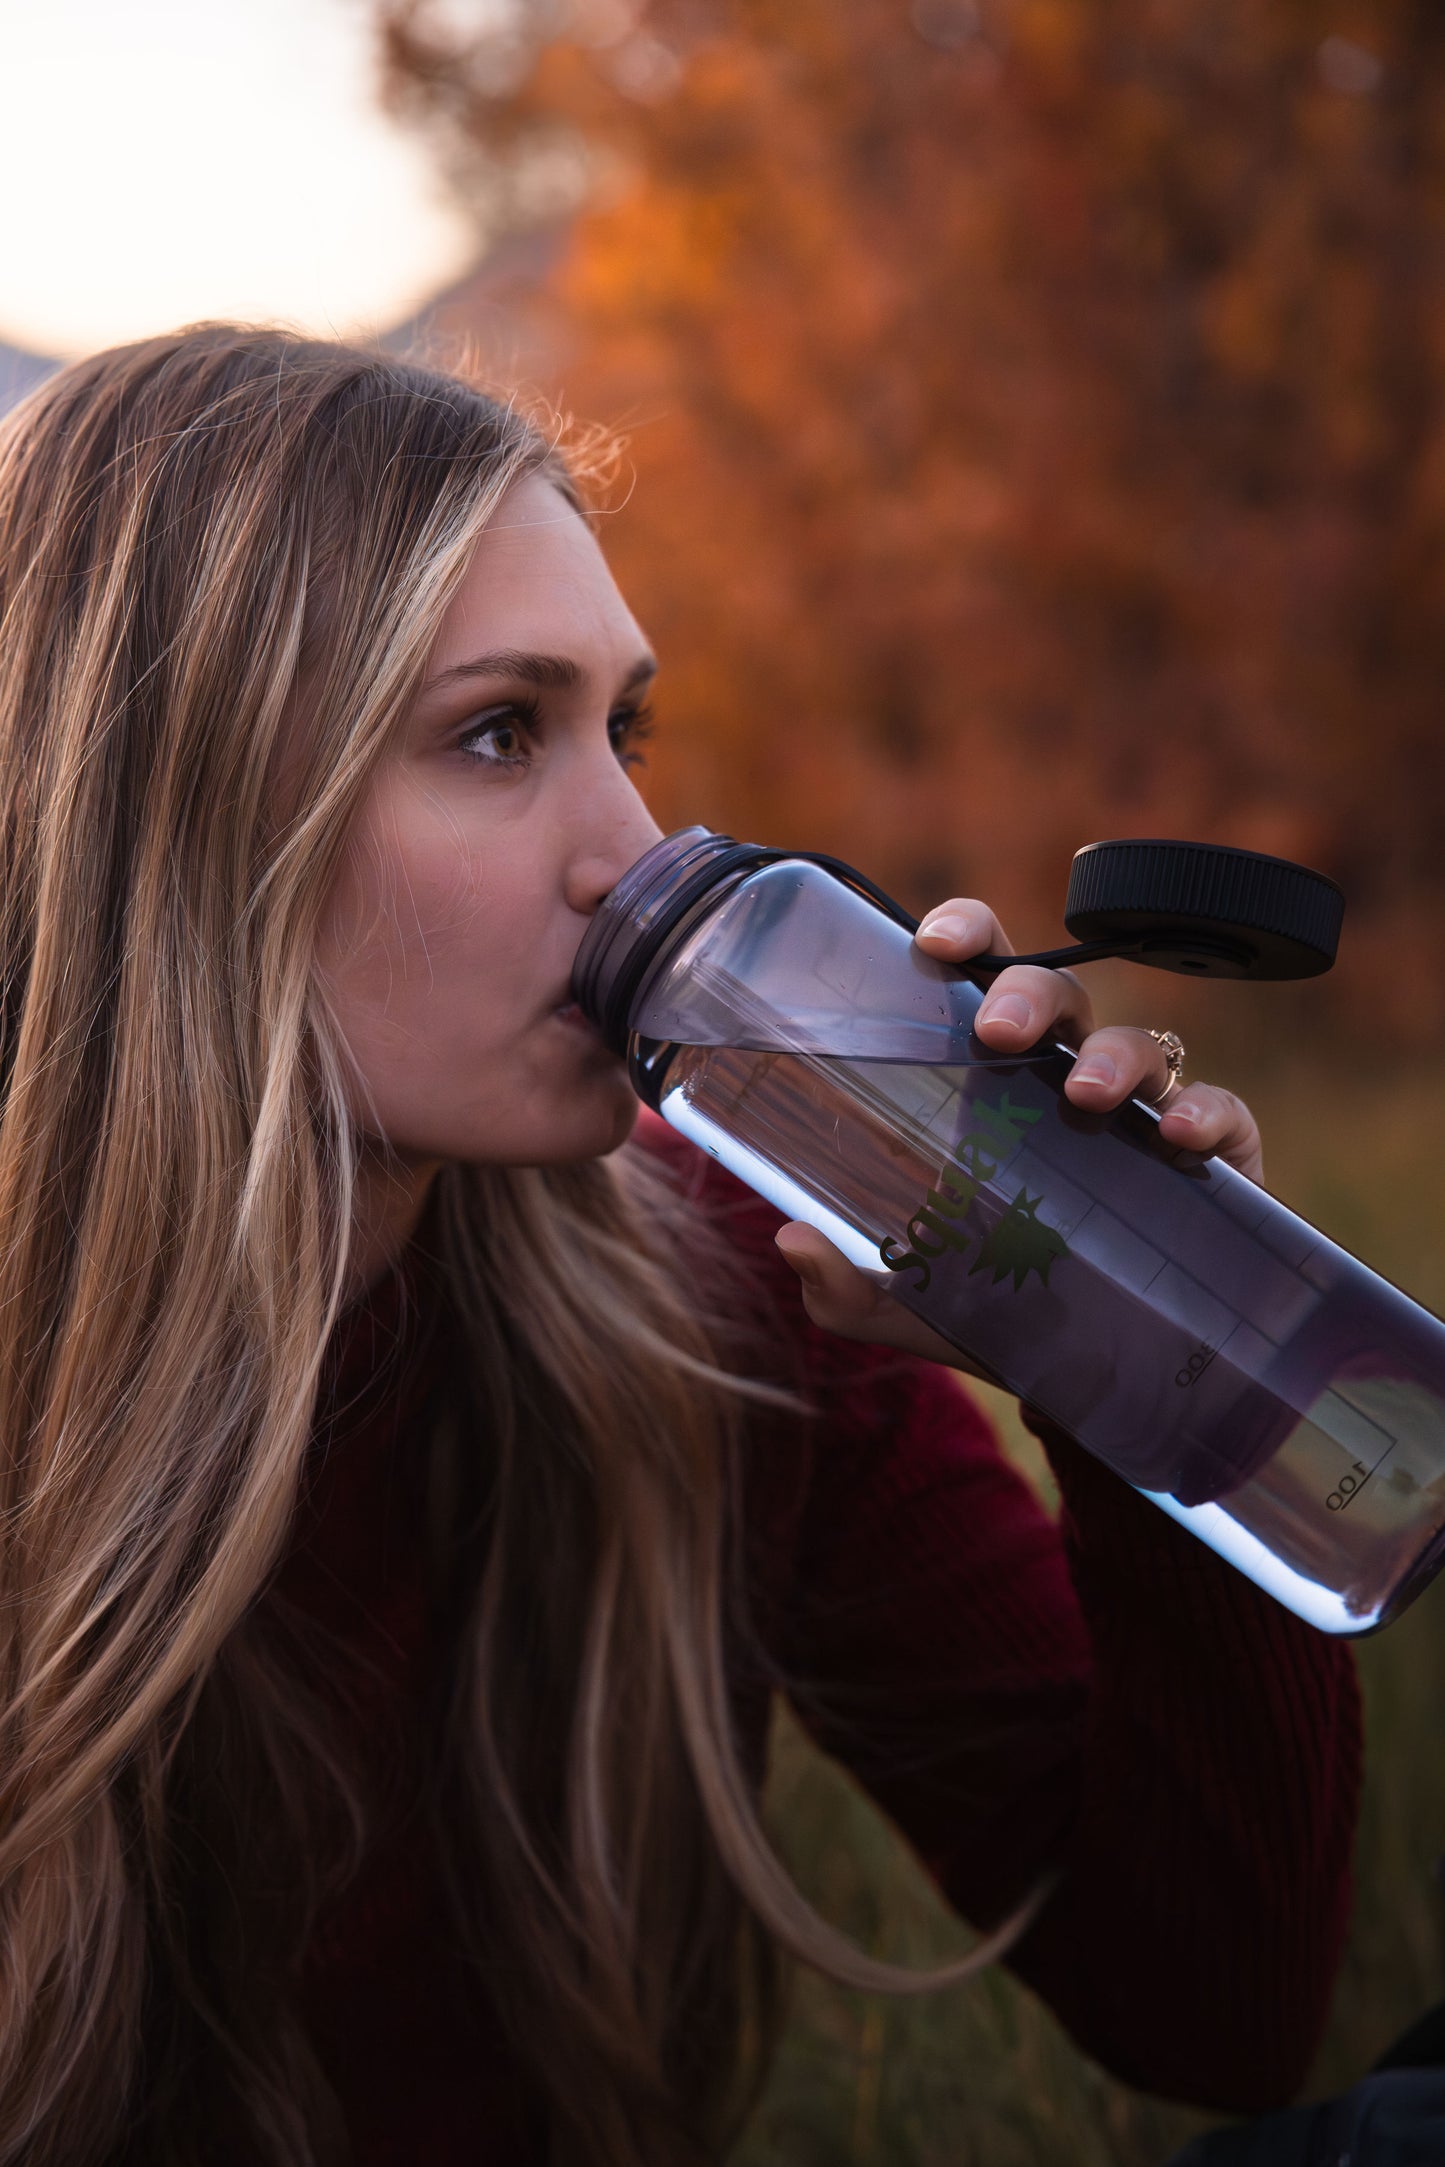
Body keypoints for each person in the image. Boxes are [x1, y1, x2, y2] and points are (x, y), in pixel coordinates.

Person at [0, 327, 1360, 2167]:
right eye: (497, 733)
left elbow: (1210, 2012)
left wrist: (1147, 1378)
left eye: (620, 728)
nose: (632, 848)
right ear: (178, 821)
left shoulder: (732, 1292)